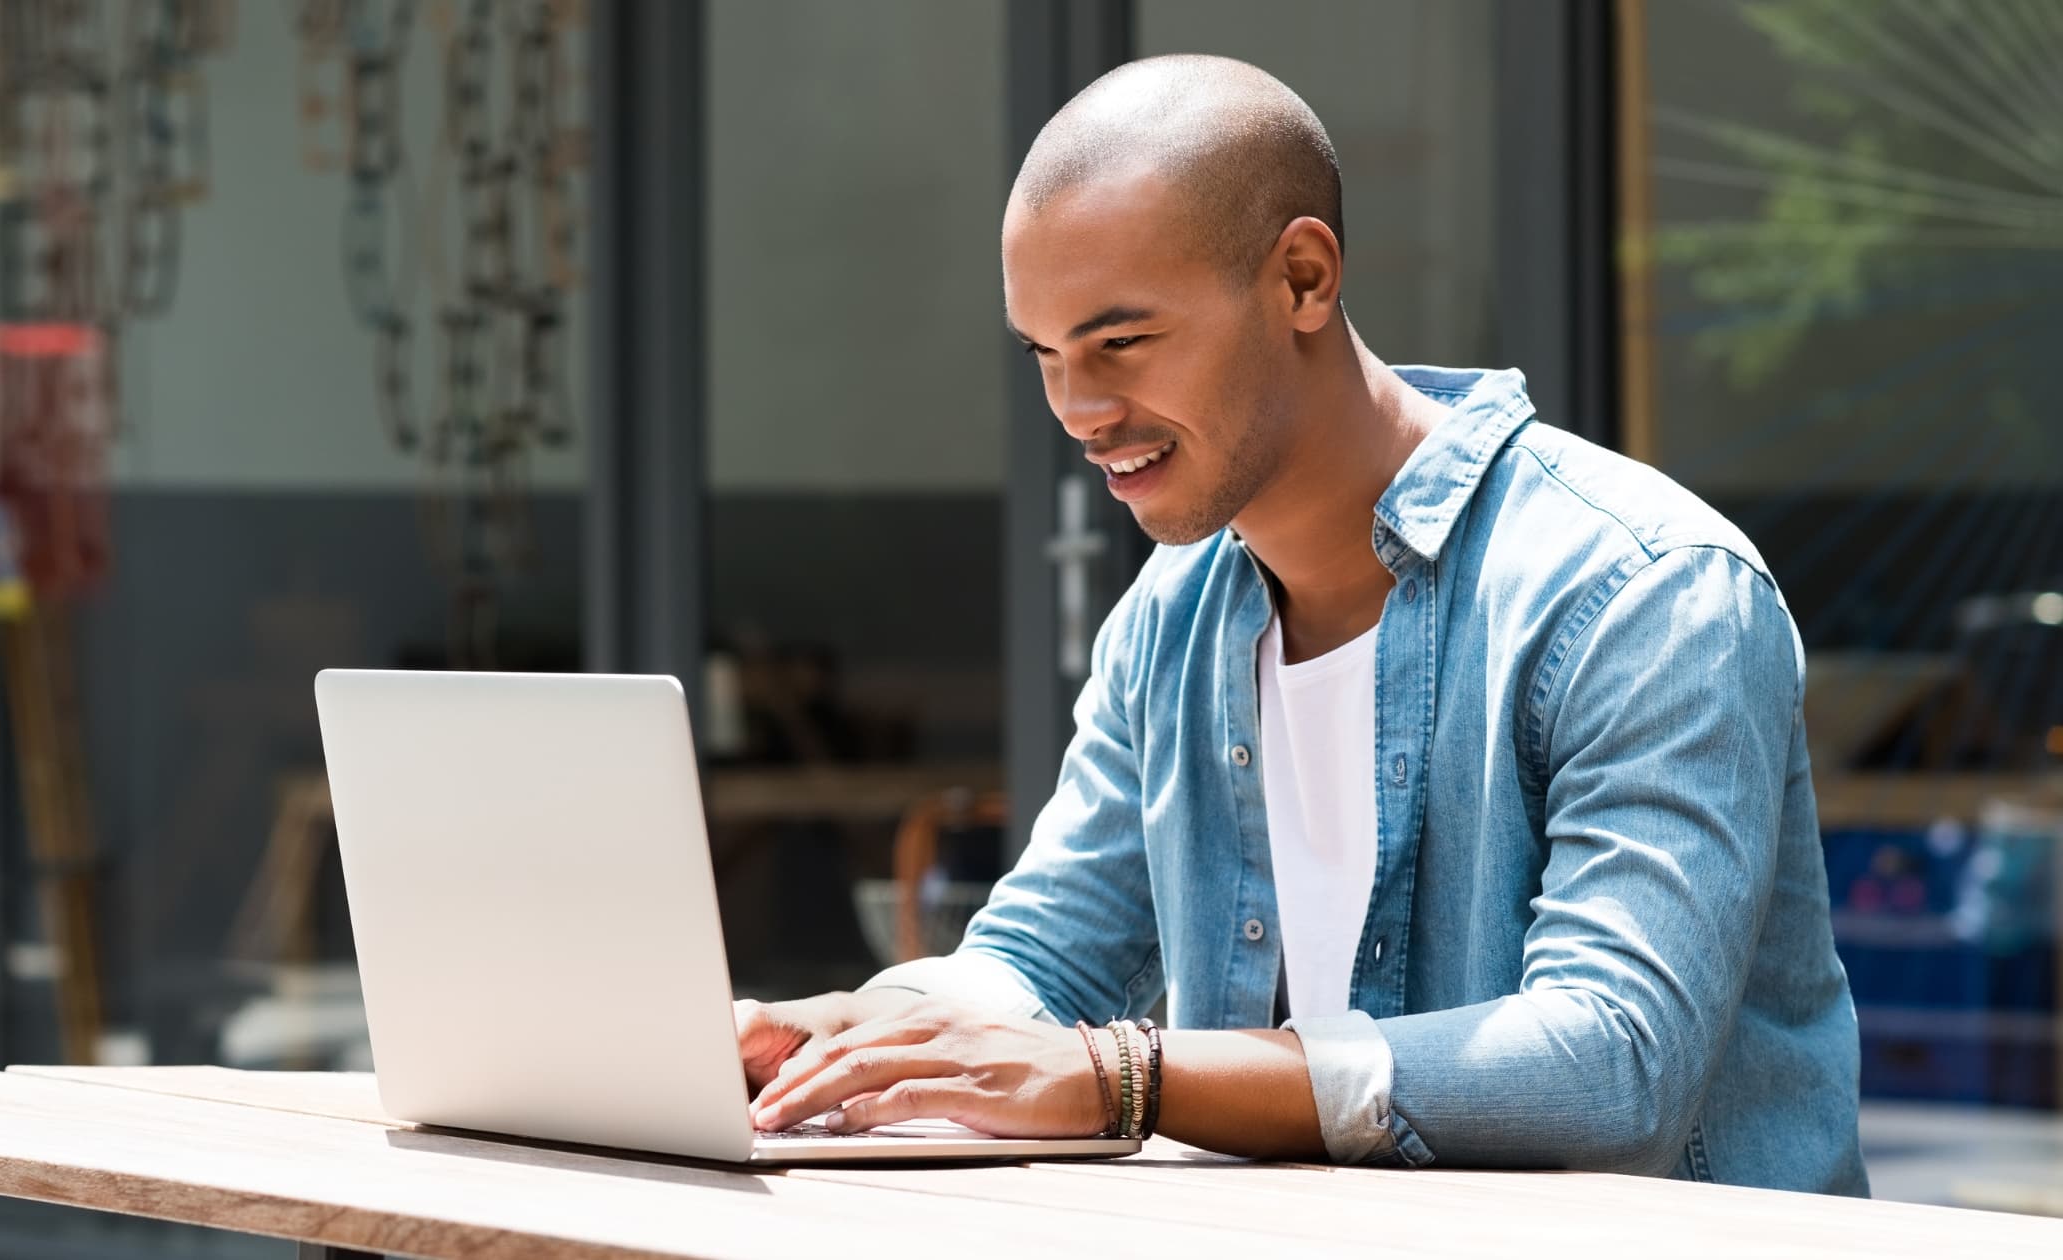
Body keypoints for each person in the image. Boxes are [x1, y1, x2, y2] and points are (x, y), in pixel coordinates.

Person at [737, 54, 1867, 1195]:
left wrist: (1126, 1076)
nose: (1077, 410)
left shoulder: (1640, 592)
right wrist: (852, 1034)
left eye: (1120, 343)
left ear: (1302, 279)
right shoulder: (1169, 624)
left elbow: (1612, 1062)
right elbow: (1044, 958)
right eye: (1045, 354)